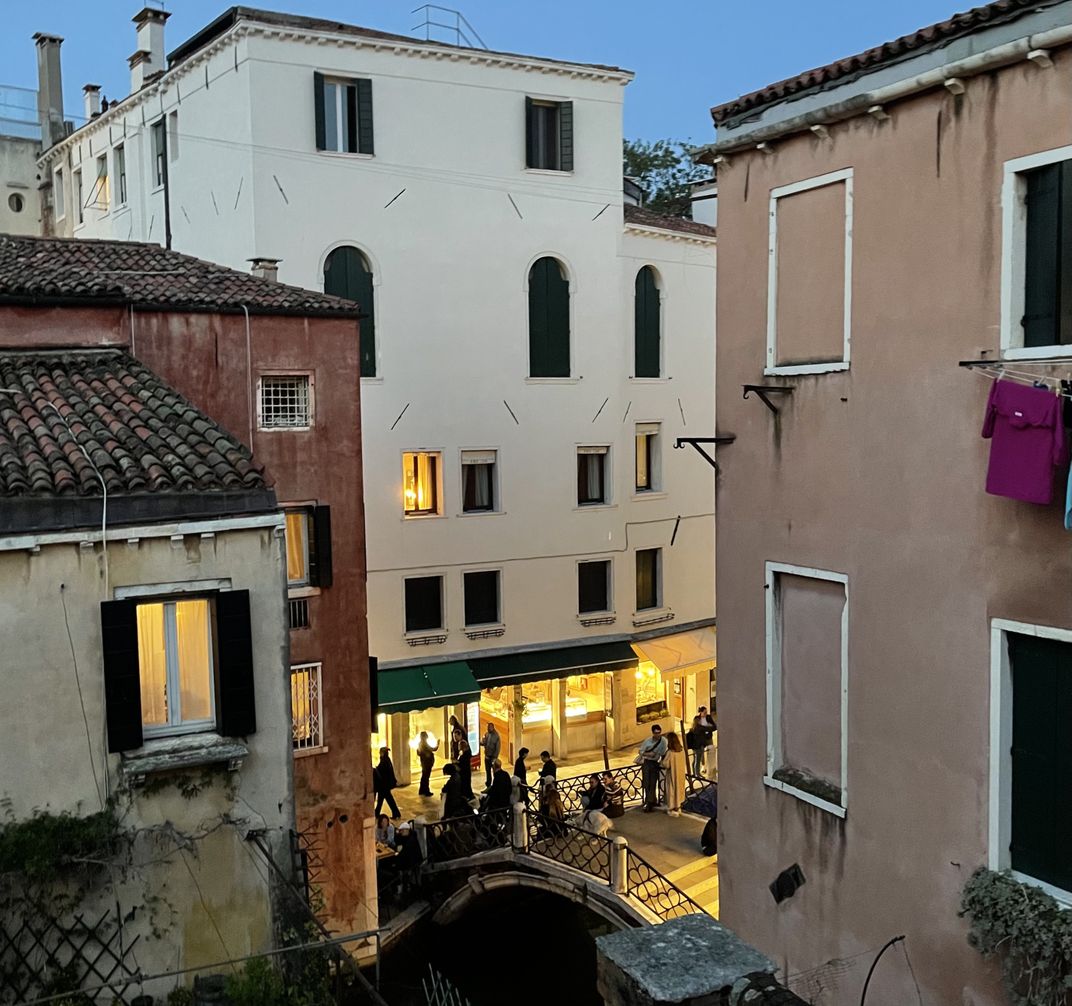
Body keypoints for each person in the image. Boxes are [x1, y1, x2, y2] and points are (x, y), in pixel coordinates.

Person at [638, 724, 667, 812]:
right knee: (647, 782)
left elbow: (663, 752)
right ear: (653, 733)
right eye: (656, 733)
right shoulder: (647, 741)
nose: (658, 735)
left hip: (655, 763)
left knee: (653, 782)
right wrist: (648, 754)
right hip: (647, 762)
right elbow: (641, 751)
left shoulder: (663, 741)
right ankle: (649, 800)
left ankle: (650, 801)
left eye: (659, 733)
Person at [662, 731, 687, 816]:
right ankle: (678, 807)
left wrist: (662, 760)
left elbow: (666, 764)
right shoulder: (681, 750)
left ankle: (672, 808)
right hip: (680, 774)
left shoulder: (670, 752)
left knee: (672, 790)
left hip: (672, 774)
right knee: (679, 790)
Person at [373, 746, 401, 819]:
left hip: (384, 785)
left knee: (388, 800)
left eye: (380, 752)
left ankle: (396, 813)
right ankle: (377, 813)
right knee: (382, 800)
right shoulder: (386, 760)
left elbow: (382, 772)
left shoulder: (384, 761)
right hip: (384, 785)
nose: (379, 753)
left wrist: (376, 769)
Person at [416, 730, 439, 797]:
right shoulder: (424, 744)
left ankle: (421, 790)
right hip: (427, 763)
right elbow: (433, 749)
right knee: (426, 777)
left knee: (424, 776)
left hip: (424, 763)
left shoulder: (420, 744)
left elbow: (418, 753)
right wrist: (438, 744)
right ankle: (426, 791)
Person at [454, 728, 474, 800]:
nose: (455, 738)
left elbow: (464, 759)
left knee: (466, 783)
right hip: (464, 770)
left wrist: (458, 762)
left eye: (456, 736)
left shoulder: (463, 745)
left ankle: (467, 796)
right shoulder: (459, 745)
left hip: (465, 770)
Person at [480, 723, 502, 790]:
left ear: (492, 727)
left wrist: (494, 757)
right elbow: (484, 743)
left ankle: (496, 785)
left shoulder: (496, 736)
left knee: (495, 772)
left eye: (489, 728)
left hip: (493, 757)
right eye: (487, 728)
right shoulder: (487, 734)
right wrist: (481, 742)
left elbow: (497, 748)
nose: (487, 729)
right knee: (488, 771)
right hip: (487, 756)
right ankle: (488, 785)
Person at [698, 705, 717, 780]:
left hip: (708, 737)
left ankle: (711, 767)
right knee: (702, 752)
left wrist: (707, 728)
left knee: (711, 751)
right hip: (701, 738)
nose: (706, 714)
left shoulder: (708, 717)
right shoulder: (697, 719)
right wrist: (708, 727)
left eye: (706, 712)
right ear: (701, 712)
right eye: (704, 712)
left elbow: (714, 727)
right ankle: (703, 766)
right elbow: (698, 728)